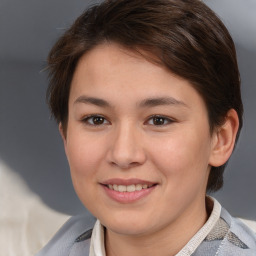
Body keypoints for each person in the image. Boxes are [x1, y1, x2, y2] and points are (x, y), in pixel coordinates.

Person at [36, 0, 256, 255]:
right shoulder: (60, 243)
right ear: (65, 136)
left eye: (159, 120)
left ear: (221, 137)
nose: (123, 154)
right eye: (96, 119)